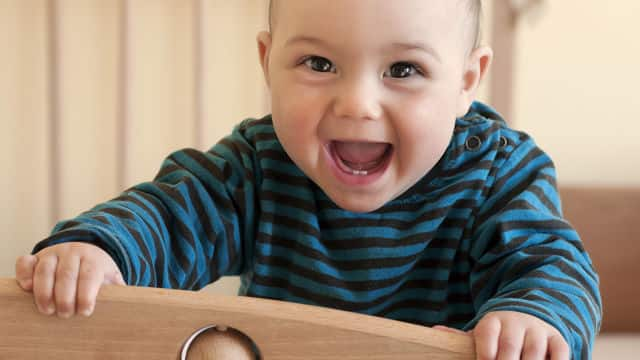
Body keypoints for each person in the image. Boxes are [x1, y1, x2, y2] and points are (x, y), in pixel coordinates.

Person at [15, 1, 601, 358]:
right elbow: (172, 215)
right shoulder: (258, 168)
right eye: (319, 64)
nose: (357, 102)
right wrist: (99, 249)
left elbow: (549, 262)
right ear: (268, 62)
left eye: (404, 69)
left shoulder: (497, 174)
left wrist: (535, 315)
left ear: (467, 81)